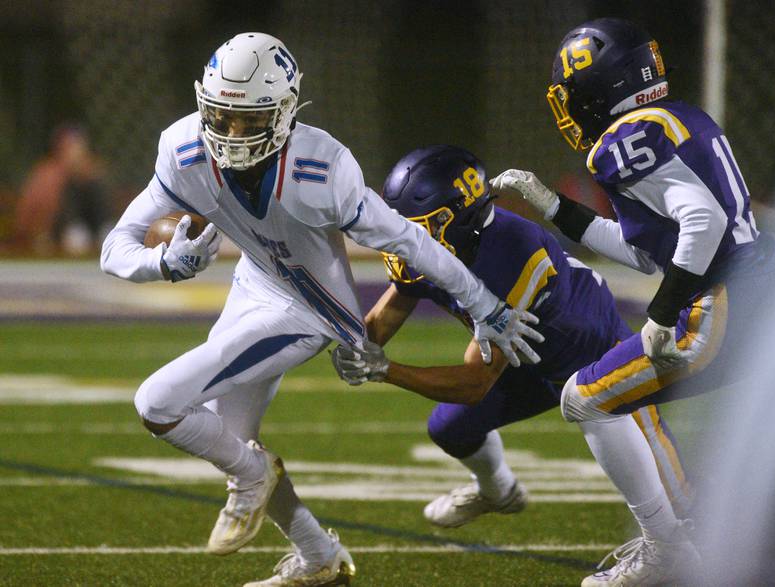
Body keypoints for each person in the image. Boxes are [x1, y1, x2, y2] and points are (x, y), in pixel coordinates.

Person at [100, 33, 537, 587]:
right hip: (253, 285)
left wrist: (484, 304)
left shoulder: (321, 169)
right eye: (221, 115)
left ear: (283, 112)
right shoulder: (184, 148)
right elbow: (116, 249)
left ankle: (254, 476)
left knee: (158, 404)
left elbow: (411, 242)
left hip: (308, 310)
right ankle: (318, 558)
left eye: (248, 120)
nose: (231, 134)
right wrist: (164, 264)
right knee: (236, 443)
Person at [490, 17, 775, 586]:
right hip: (764, 290)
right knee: (642, 406)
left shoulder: (623, 140)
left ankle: (669, 549)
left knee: (586, 399)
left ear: (599, 89)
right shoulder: (676, 118)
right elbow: (645, 252)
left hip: (722, 302)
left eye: (574, 95)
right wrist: (552, 205)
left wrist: (661, 314)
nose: (569, 109)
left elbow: (701, 221)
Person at [330, 144, 692, 530]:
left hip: (594, 356)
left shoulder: (515, 254)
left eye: (422, 226)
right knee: (451, 429)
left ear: (461, 217)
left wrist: (385, 369)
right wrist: (352, 340)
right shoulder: (444, 244)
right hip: (525, 358)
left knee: (678, 500)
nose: (408, 239)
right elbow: (394, 306)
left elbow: (473, 383)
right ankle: (497, 490)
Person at [14, 124, 110, 255]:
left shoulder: (93, 173)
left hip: (91, 231)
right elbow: (25, 216)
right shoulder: (46, 174)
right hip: (55, 234)